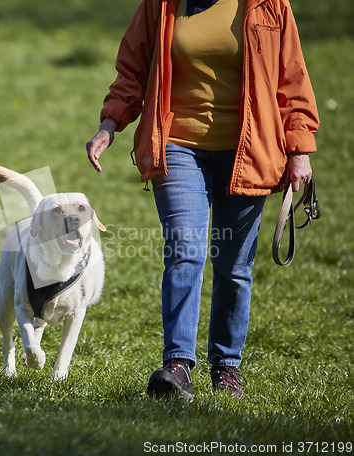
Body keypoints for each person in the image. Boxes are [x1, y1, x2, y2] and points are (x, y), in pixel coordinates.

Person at [86, 0, 319, 399]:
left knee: (233, 266)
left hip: (249, 149)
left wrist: (299, 149)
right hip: (177, 144)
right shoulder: (160, 4)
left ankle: (226, 368)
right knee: (185, 250)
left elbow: (291, 79)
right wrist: (111, 123)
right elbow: (133, 67)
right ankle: (178, 365)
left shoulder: (269, 5)